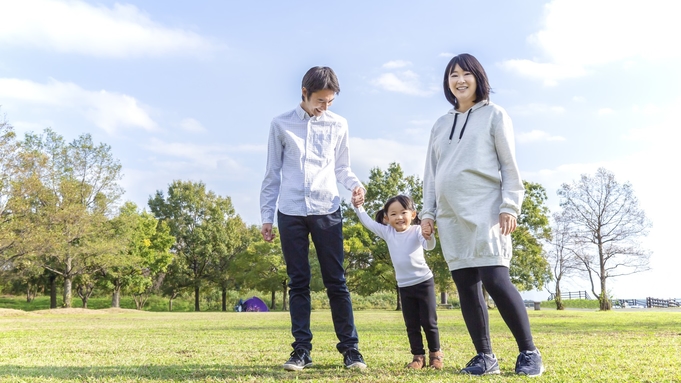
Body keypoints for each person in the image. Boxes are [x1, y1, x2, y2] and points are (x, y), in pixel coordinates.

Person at [420, 53, 545, 377]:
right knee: (466, 285)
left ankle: (529, 352)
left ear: (478, 77)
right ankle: (485, 357)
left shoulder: (494, 115)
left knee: (495, 278)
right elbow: (431, 174)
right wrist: (428, 213)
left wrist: (509, 206)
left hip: (487, 208)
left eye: (465, 74)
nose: (459, 80)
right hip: (450, 216)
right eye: (452, 75)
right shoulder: (440, 123)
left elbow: (508, 166)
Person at [259, 66, 367, 371]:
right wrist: (267, 215)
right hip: (290, 211)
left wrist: (356, 187)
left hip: (327, 210)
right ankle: (301, 351)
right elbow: (272, 173)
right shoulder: (280, 124)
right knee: (298, 283)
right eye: (320, 100)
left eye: (330, 102)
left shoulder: (338, 124)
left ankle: (351, 350)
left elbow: (343, 168)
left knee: (337, 282)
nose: (324, 107)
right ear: (304, 93)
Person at [352, 195, 443, 369]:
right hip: (404, 286)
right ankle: (418, 357)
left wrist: (429, 235)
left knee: (429, 322)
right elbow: (369, 223)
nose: (399, 217)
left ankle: (435, 355)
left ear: (413, 214)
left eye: (403, 212)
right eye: (393, 214)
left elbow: (429, 246)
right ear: (386, 218)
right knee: (411, 324)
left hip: (424, 282)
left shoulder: (417, 231)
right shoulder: (388, 232)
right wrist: (358, 207)